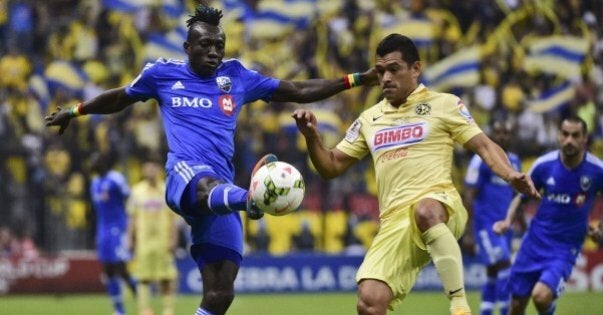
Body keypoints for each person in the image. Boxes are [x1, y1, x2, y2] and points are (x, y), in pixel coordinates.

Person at [45, 5, 376, 315]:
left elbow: (298, 89)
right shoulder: (161, 74)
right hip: (185, 176)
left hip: (223, 193)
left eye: (220, 45)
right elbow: (119, 97)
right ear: (188, 47)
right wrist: (75, 111)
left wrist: (357, 79)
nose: (215, 52)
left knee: (221, 291)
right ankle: (253, 198)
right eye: (206, 45)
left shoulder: (237, 77)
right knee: (206, 184)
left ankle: (246, 200)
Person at [292, 33, 539, 315]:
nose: (385, 78)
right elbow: (331, 166)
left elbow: (483, 144)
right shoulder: (369, 119)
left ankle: (459, 305)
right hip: (393, 222)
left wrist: (510, 175)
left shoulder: (445, 104)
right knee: (369, 302)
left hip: (440, 202)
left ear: (415, 69)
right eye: (381, 71)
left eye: (394, 69)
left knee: (425, 210)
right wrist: (312, 137)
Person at [493, 116, 603, 315]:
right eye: (565, 134)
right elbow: (522, 197)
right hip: (533, 243)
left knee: (541, 296)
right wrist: (507, 221)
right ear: (558, 136)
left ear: (584, 139)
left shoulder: (599, 171)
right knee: (517, 306)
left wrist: (602, 227)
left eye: (575, 135)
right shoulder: (544, 165)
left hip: (565, 249)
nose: (569, 140)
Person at [463, 120, 521, 315]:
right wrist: (469, 233)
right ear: (491, 135)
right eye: (498, 132)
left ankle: (485, 312)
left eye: (506, 132)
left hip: (506, 226)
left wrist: (520, 220)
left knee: (493, 271)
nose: (503, 136)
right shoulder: (480, 160)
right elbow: (469, 196)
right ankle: (506, 311)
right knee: (504, 263)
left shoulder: (515, 160)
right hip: (486, 225)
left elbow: (516, 194)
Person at [127, 158, 179, 315]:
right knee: (143, 277)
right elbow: (132, 218)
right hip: (144, 242)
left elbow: (173, 218)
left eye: (153, 168)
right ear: (143, 170)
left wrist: (173, 238)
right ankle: (145, 309)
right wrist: (130, 238)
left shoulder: (166, 190)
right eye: (147, 168)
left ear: (158, 170)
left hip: (163, 241)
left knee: (166, 277)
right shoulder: (136, 191)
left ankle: (168, 309)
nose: (151, 171)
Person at [88, 151, 137, 315]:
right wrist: (98, 234)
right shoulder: (94, 183)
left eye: (95, 160)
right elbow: (98, 211)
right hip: (103, 231)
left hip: (118, 228)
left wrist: (130, 225)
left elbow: (130, 198)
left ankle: (140, 297)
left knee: (121, 268)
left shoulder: (116, 178)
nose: (92, 163)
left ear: (103, 162)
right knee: (108, 269)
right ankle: (119, 309)